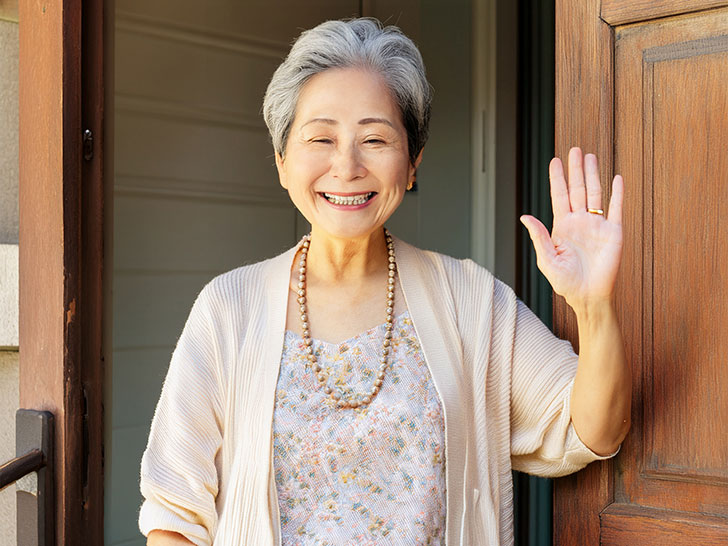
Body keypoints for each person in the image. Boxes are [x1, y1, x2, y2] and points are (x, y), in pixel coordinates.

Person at [139, 18, 630, 546]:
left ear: (413, 162)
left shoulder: (469, 300)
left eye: (374, 138)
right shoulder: (227, 311)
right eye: (320, 138)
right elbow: (174, 520)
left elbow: (594, 429)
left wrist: (593, 305)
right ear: (282, 161)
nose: (346, 166)